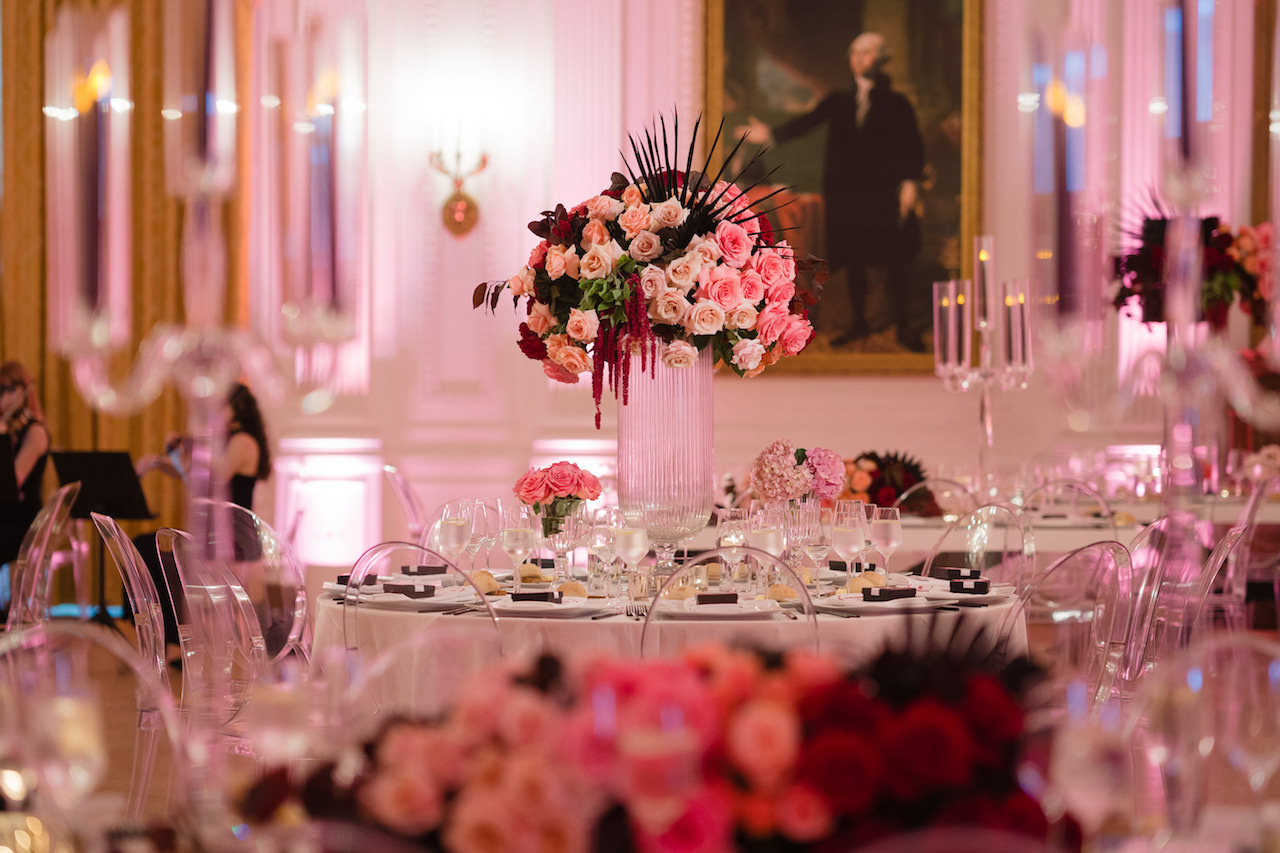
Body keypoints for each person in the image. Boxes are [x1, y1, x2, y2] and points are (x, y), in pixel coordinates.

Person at [738, 32, 926, 351]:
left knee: (894, 261)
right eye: (854, 52)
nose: (859, 58)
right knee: (853, 259)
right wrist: (769, 133)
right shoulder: (839, 101)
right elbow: (807, 122)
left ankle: (904, 325)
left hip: (883, 195)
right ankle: (858, 324)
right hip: (846, 195)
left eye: (866, 52)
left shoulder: (897, 104)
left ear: (882, 58)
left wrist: (910, 183)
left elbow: (912, 146)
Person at [134, 382, 272, 656]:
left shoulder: (243, 441)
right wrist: (160, 461)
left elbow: (209, 482)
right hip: (222, 531)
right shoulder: (230, 439)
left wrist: (181, 457)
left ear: (237, 408)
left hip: (235, 536)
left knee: (230, 609)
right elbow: (192, 474)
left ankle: (234, 665)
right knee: (215, 605)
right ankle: (208, 657)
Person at [0, 361, 51, 570]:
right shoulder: (8, 428)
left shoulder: (35, 431)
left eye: (12, 389)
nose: (5, 398)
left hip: (24, 523)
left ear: (25, 390)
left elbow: (14, 481)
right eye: (1, 390)